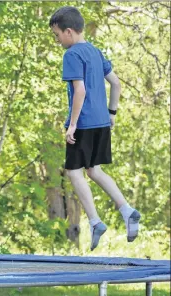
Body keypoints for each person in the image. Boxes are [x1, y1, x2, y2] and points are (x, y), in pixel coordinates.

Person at [49, 6, 141, 251]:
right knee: (94, 170)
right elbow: (116, 84)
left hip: (85, 122)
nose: (57, 40)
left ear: (69, 32)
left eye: (57, 35)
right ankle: (127, 209)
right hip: (101, 121)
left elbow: (80, 91)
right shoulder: (96, 51)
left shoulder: (71, 55)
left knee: (73, 173)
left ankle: (95, 221)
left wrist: (73, 125)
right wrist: (112, 113)